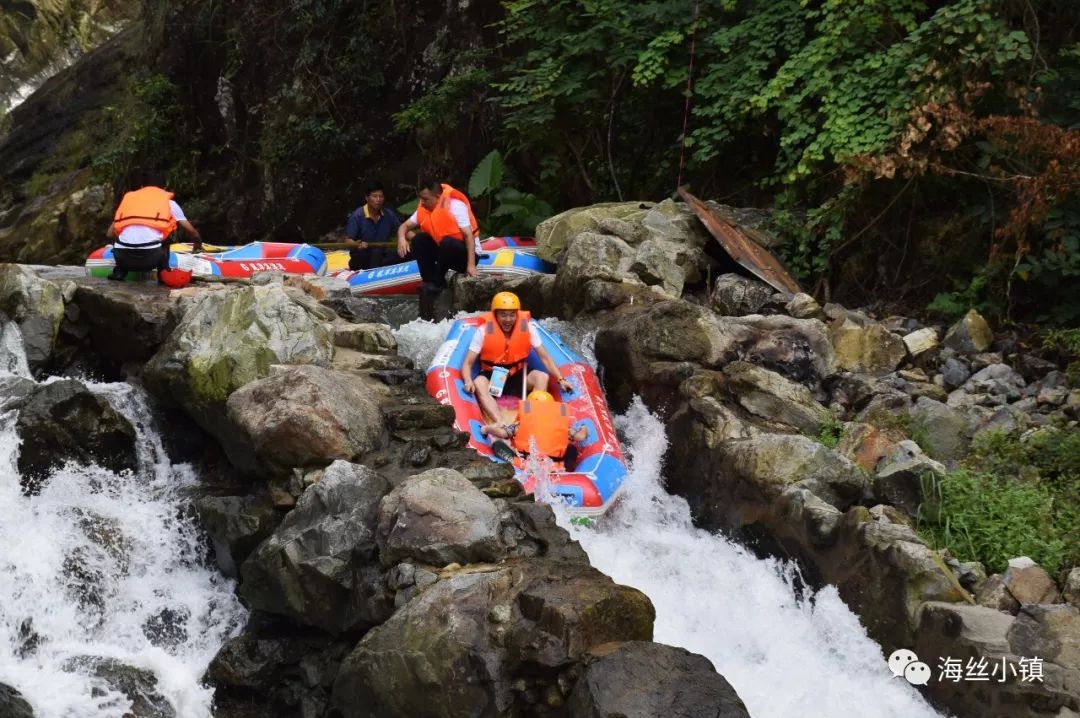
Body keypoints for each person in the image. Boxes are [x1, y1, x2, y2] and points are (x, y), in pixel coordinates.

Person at [461, 291, 574, 422]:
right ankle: (501, 423)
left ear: (517, 314)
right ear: (495, 314)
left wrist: (561, 379)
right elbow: (467, 363)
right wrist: (468, 381)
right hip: (492, 376)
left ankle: (530, 420)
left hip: (518, 374)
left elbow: (545, 358)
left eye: (512, 315)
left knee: (542, 377)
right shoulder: (483, 331)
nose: (508, 320)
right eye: (503, 315)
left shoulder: (528, 328)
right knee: (479, 383)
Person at [395, 178, 480, 292]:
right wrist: (401, 238)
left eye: (425, 199)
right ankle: (429, 281)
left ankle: (438, 281)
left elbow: (469, 236)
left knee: (447, 243)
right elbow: (403, 227)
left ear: (438, 197)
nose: (422, 202)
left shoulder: (455, 206)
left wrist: (471, 266)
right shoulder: (424, 208)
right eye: (421, 199)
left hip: (465, 255)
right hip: (444, 252)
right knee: (418, 239)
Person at [106, 183, 201, 281]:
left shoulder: (129, 203)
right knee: (166, 240)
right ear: (164, 188)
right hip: (150, 259)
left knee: (119, 237)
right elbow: (191, 231)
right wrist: (198, 244)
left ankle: (119, 272)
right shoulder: (168, 203)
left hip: (123, 258)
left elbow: (109, 234)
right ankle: (163, 274)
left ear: (142, 187)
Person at [482, 390, 589, 467]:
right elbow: (580, 436)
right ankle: (563, 467)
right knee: (572, 449)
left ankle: (515, 462)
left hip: (527, 465)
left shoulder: (521, 424)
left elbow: (502, 434)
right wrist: (584, 427)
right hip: (554, 465)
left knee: (497, 445)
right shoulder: (561, 425)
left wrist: (487, 429)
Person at [344, 180, 404, 270]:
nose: (378, 200)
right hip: (364, 256)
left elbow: (402, 229)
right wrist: (357, 244)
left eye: (381, 196)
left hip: (382, 255)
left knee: (404, 252)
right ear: (367, 198)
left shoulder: (388, 214)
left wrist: (415, 240)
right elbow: (348, 241)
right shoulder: (357, 215)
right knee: (365, 256)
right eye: (375, 196)